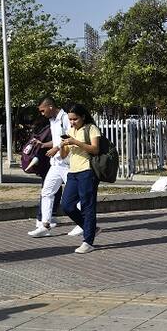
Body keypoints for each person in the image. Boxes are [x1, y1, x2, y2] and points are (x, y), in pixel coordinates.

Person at [29, 97, 83, 238]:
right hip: (56, 163)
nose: (42, 113)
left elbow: (69, 138)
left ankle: (82, 223)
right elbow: (58, 139)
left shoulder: (66, 118)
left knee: (76, 195)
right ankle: (45, 225)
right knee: (47, 192)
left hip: (68, 163)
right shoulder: (52, 120)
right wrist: (44, 145)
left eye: (43, 110)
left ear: (50, 107)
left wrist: (57, 148)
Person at [60, 103, 102, 254]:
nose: (72, 122)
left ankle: (88, 241)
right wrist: (62, 145)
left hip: (87, 171)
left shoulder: (91, 128)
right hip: (73, 172)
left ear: (83, 117)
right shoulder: (70, 130)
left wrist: (75, 142)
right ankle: (90, 228)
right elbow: (64, 155)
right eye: (70, 119)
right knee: (67, 205)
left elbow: (95, 149)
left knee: (87, 206)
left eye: (75, 119)